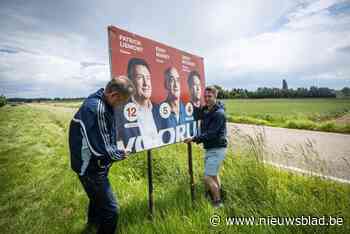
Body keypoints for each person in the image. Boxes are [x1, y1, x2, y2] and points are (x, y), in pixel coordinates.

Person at [68, 76, 135, 233]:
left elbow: (104, 134)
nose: (122, 106)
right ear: (113, 95)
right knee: (111, 212)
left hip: (94, 164)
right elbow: (100, 150)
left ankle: (91, 226)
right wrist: (121, 153)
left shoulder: (103, 101)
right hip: (90, 168)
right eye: (122, 102)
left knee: (96, 199)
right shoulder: (96, 109)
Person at [185, 86, 228, 208]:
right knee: (214, 175)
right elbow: (196, 113)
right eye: (205, 96)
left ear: (215, 97)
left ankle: (217, 202)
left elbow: (212, 134)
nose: (207, 99)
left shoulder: (219, 114)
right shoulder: (206, 110)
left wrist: (194, 138)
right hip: (211, 148)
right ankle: (219, 196)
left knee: (207, 177)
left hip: (217, 148)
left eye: (210, 96)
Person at [114, 58, 162, 152]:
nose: (146, 83)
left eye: (148, 78)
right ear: (130, 82)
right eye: (140, 77)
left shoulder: (160, 110)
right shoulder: (120, 113)